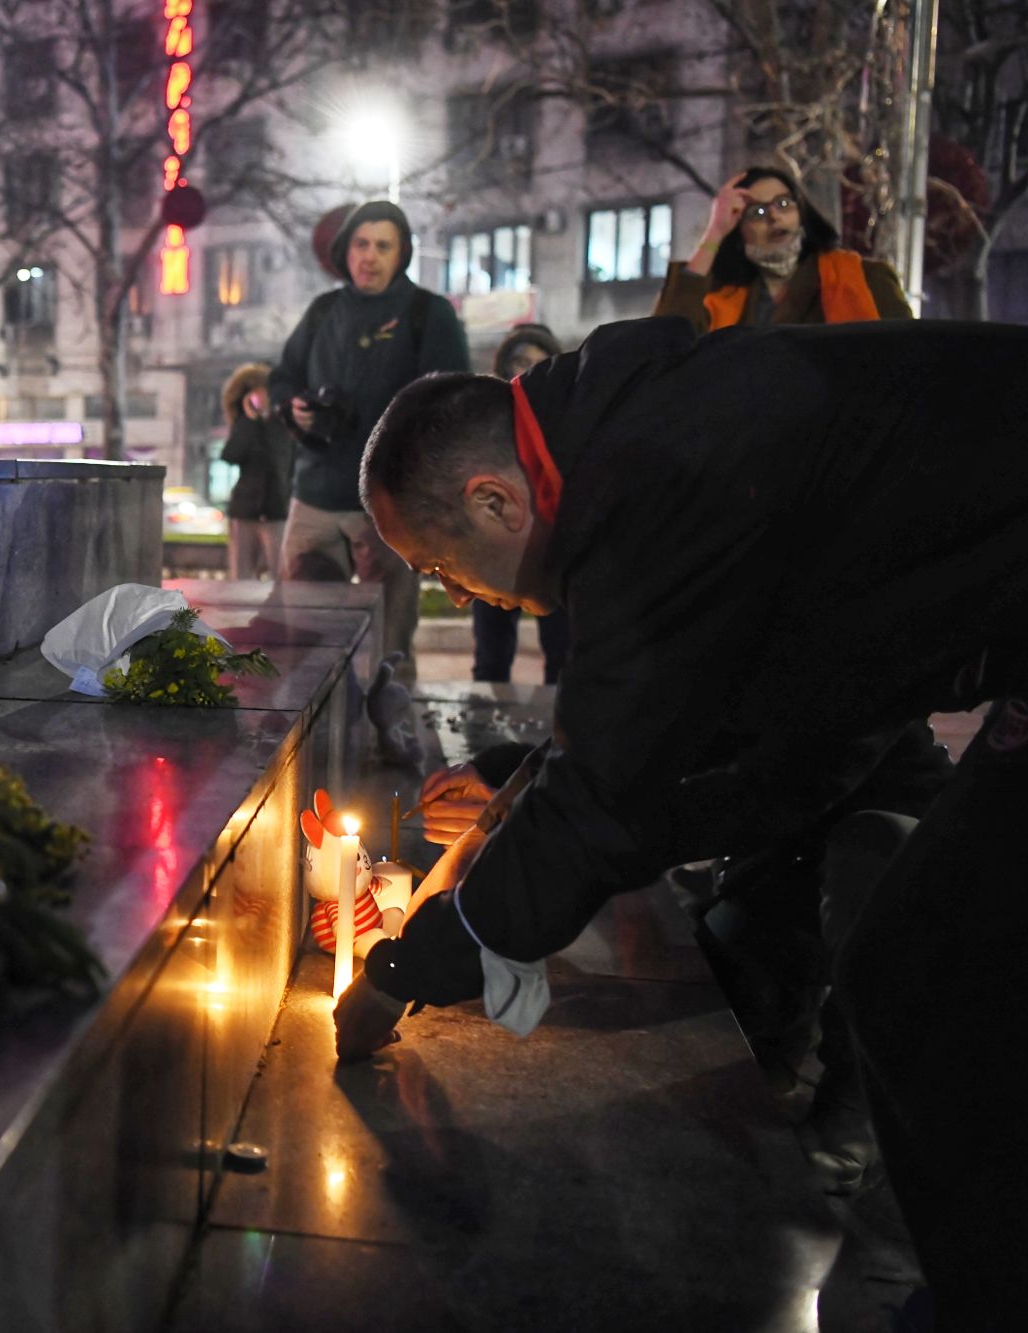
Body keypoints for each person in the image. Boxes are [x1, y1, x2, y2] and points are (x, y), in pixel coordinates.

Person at [337, 315, 1028, 1326]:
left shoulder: (650, 469)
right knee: (907, 970)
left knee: (931, 974)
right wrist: (527, 789)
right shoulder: (632, 430)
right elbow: (746, 730)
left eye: (438, 569)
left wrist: (408, 965)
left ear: (493, 499)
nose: (452, 591)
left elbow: (617, 788)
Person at [269, 200, 470, 675]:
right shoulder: (323, 311)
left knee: (389, 648)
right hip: (315, 498)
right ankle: (317, 723)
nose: (370, 256)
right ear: (345, 250)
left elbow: (452, 401)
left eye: (383, 246)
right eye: (361, 244)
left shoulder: (428, 313)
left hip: (389, 504)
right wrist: (294, 406)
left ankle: (390, 721)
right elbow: (283, 378)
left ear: (402, 254)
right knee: (305, 645)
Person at [653, 166, 912, 330]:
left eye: (784, 204)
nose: (774, 216)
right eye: (757, 212)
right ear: (740, 232)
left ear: (802, 214)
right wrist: (715, 231)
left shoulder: (867, 277)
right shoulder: (721, 295)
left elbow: (907, 352)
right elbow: (667, 339)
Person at [472, 324, 571, 685]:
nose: (530, 371)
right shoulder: (485, 416)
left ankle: (558, 720)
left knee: (562, 654)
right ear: (505, 364)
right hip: (496, 549)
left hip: (552, 549)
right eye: (521, 362)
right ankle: (485, 718)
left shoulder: (568, 416)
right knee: (491, 656)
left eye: (540, 363)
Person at [218, 363, 293, 581]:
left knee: (281, 575)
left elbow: (282, 459)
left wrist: (267, 420)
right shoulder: (244, 424)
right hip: (245, 509)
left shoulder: (282, 423)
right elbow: (230, 454)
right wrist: (250, 420)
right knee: (241, 576)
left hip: (276, 509)